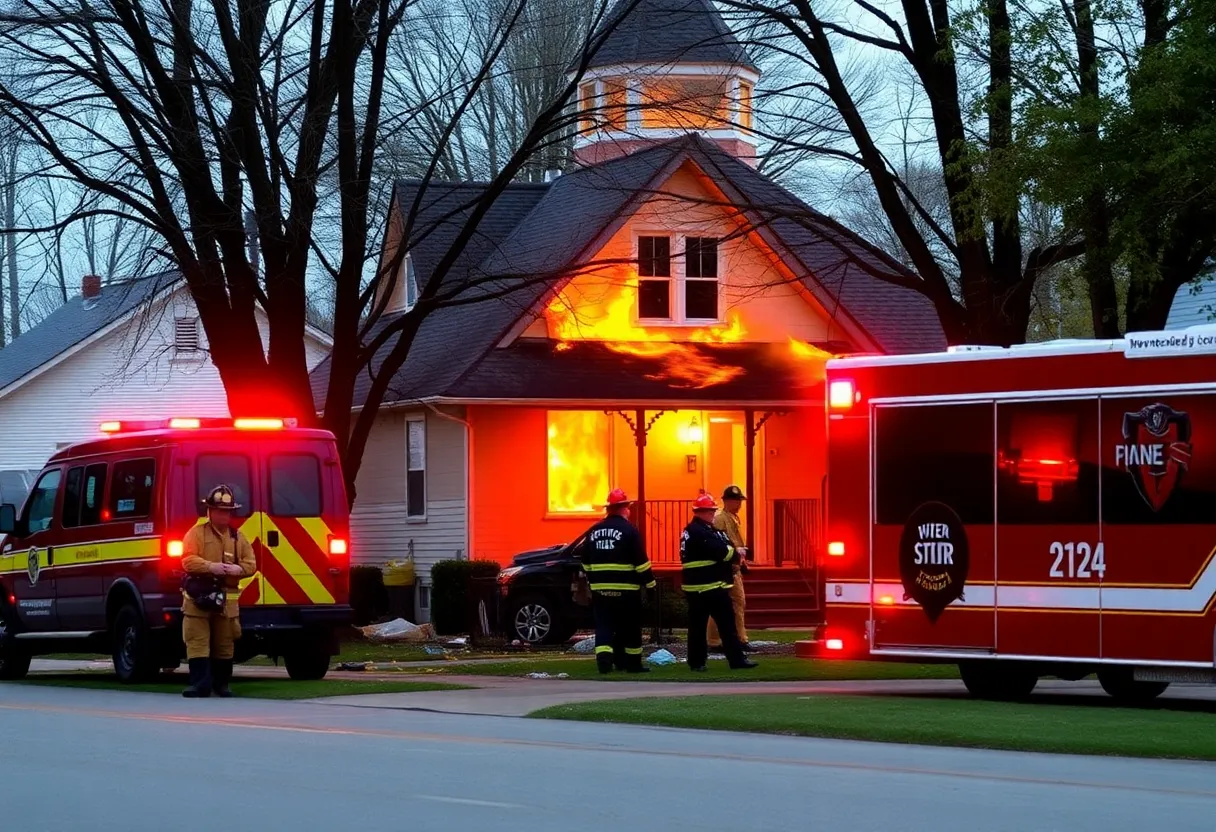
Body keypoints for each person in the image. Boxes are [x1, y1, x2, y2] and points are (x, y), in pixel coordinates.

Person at [180, 484, 257, 698]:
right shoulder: (195, 533)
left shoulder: (238, 537)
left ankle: (222, 685)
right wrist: (210, 567)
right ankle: (200, 685)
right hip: (198, 601)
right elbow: (187, 560)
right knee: (198, 642)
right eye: (219, 511)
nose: (223, 515)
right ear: (210, 511)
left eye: (227, 511)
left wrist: (238, 569)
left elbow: (251, 564)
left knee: (225, 644)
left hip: (226, 604)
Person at [580, 488, 656, 674]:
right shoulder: (630, 531)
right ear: (623, 509)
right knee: (629, 626)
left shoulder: (594, 531)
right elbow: (641, 562)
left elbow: (585, 560)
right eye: (628, 507)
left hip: (600, 590)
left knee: (604, 625)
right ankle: (631, 664)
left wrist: (593, 581)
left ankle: (604, 662)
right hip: (627, 590)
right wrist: (650, 584)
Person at [680, 494, 757, 672]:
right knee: (726, 625)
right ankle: (736, 660)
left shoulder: (697, 530)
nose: (713, 514)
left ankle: (698, 662)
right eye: (711, 511)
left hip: (700, 586)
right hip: (710, 586)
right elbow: (723, 551)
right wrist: (736, 553)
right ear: (703, 512)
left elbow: (724, 546)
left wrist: (733, 550)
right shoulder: (700, 532)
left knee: (698, 627)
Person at [708, 484, 752, 652]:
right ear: (726, 501)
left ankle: (738, 639)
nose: (739, 504)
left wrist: (742, 561)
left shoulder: (733, 518)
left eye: (739, 500)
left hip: (734, 566)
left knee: (737, 603)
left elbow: (735, 541)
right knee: (721, 604)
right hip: (725, 568)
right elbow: (718, 543)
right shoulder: (720, 518)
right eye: (735, 500)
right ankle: (715, 640)